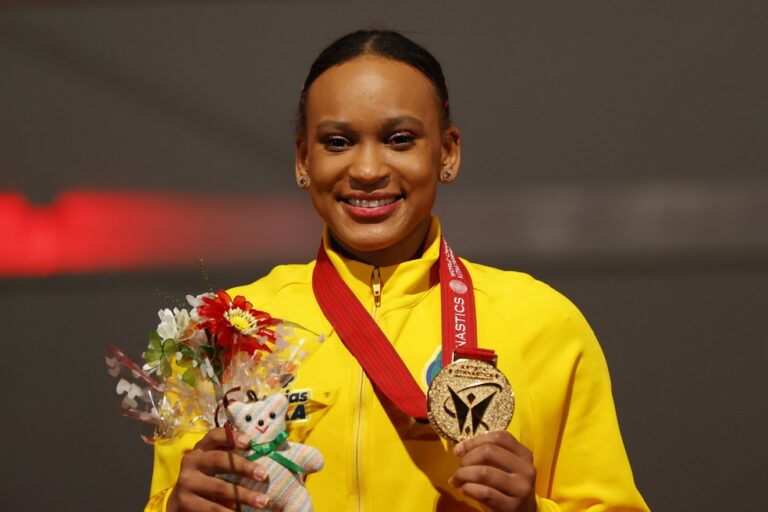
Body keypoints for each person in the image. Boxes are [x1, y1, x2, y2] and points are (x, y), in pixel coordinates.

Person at [146, 30, 649, 512]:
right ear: (303, 159)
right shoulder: (228, 327)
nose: (366, 169)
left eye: (400, 139)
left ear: (447, 152)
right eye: (338, 142)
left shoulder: (543, 323)